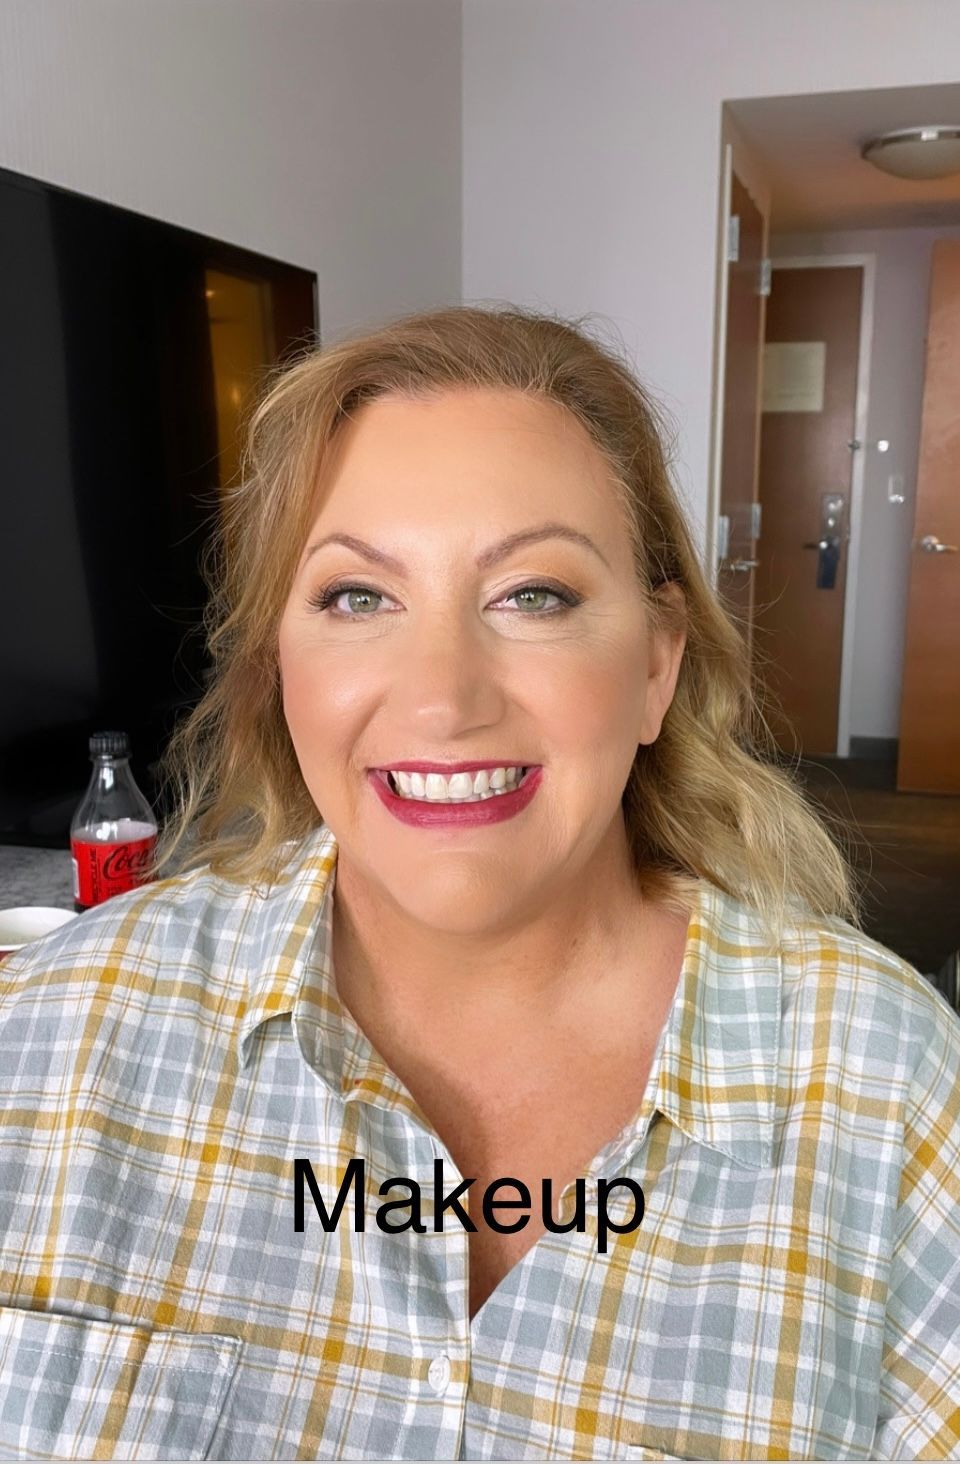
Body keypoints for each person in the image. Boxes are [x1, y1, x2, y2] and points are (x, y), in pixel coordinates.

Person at [0, 305, 958, 1463]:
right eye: (358, 598)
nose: (444, 699)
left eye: (533, 596)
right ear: (277, 669)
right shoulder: (50, 1035)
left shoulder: (890, 1087)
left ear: (657, 664)